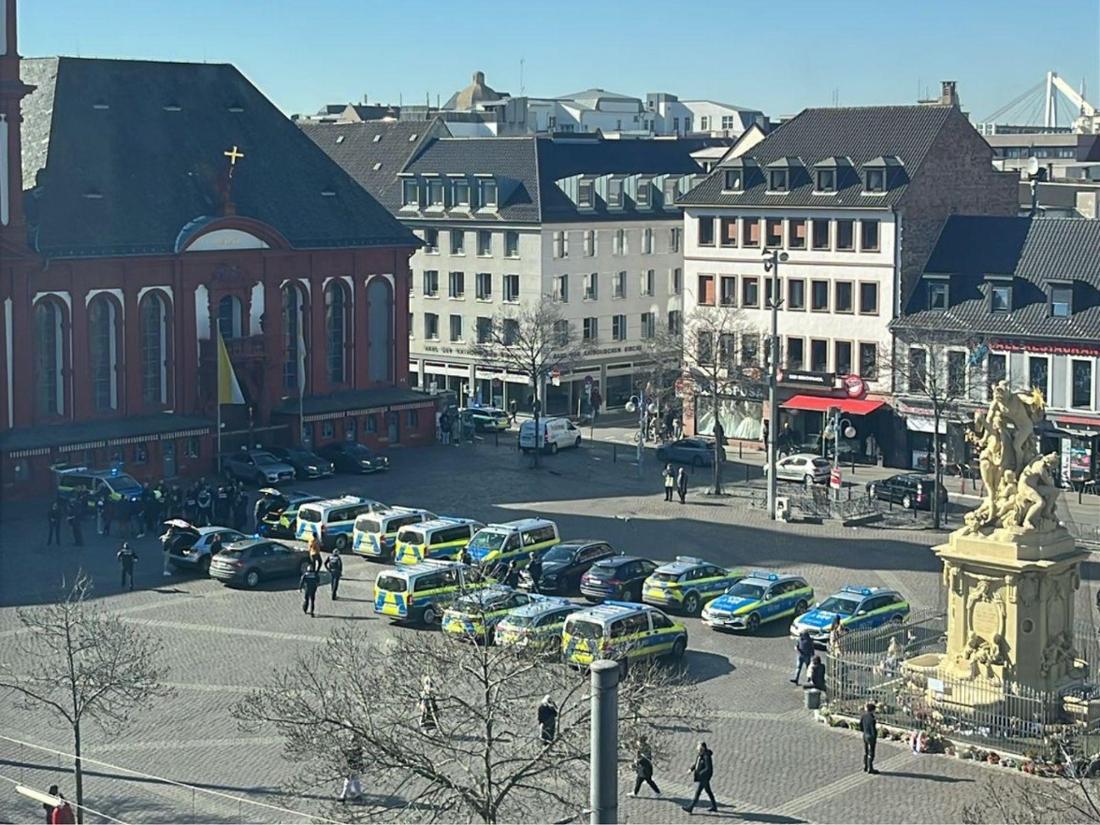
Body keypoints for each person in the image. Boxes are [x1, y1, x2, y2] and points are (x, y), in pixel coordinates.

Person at [683, 740, 717, 814]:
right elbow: (696, 764)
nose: (697, 749)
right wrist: (691, 769)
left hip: (704, 778)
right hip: (703, 778)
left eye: (699, 747)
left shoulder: (706, 756)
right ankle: (714, 806)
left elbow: (708, 768)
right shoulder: (700, 755)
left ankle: (690, 807)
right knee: (708, 791)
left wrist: (700, 774)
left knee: (698, 793)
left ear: (703, 748)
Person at [860, 702, 878, 773]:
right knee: (871, 753)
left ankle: (865, 766)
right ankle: (870, 768)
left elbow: (861, 725)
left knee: (866, 751)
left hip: (865, 735)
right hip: (871, 737)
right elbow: (873, 729)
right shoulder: (872, 718)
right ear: (873, 710)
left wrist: (864, 731)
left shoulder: (863, 716)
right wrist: (874, 737)